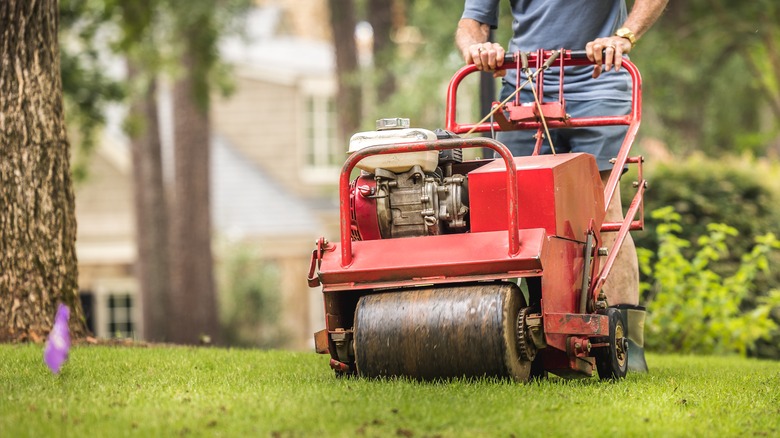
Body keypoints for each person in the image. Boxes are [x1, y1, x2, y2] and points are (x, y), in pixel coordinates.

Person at [456, 0, 669, 373]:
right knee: (513, 221)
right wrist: (478, 47)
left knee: (603, 216)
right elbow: (472, 23)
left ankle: (625, 345)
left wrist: (623, 36)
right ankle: (523, 336)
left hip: (597, 80)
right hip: (524, 86)